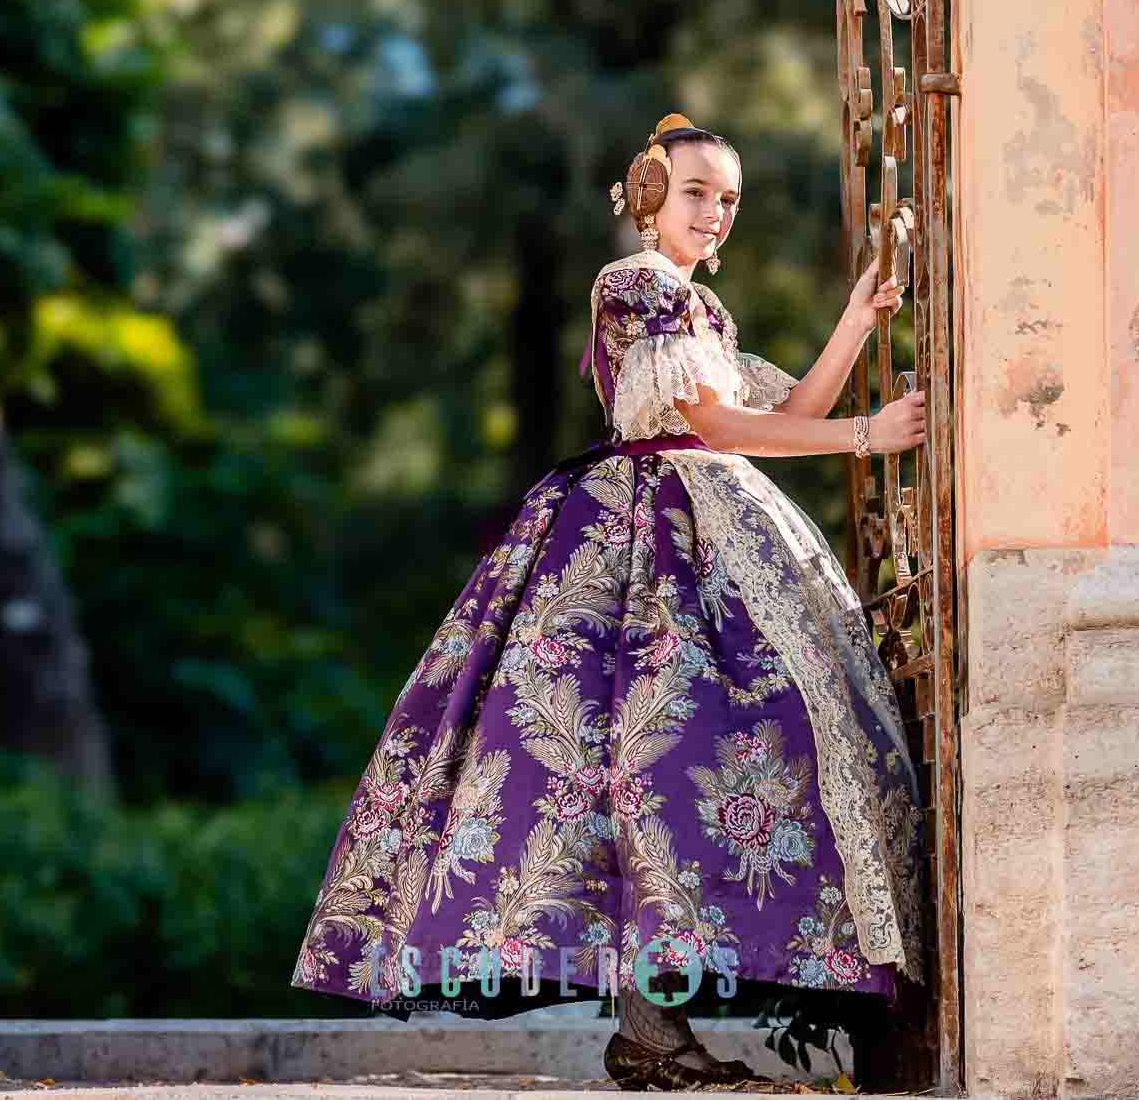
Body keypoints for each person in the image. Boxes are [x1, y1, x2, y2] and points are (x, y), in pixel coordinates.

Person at [290, 113, 931, 1093]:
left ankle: (654, 1032)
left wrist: (856, 316)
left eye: (728, 200)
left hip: (712, 532)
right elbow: (715, 424)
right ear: (646, 196)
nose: (714, 214)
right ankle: (652, 1037)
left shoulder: (705, 316)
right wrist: (867, 436)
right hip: (636, 548)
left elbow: (780, 415)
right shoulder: (630, 284)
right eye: (695, 193)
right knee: (638, 768)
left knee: (685, 773)